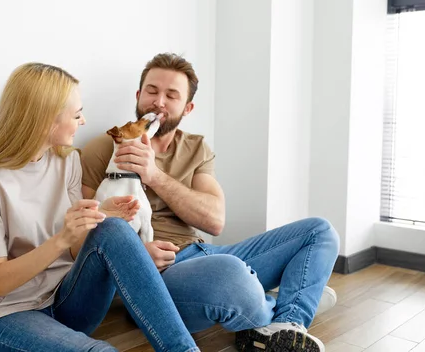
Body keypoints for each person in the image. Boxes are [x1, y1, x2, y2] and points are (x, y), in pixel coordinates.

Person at [81, 53, 340, 352]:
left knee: (320, 232)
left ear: (187, 108)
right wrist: (135, 256)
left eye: (172, 95)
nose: (159, 102)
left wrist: (154, 175)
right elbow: (85, 236)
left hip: (207, 252)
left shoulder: (196, 147)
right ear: (139, 96)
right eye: (152, 91)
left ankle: (284, 322)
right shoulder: (106, 147)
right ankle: (292, 299)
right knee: (231, 275)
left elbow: (214, 220)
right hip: (156, 276)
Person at [0, 63, 200, 352]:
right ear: (46, 120)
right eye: (77, 114)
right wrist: (63, 238)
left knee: (113, 228)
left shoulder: (67, 162)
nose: (83, 121)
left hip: (66, 300)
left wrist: (97, 218)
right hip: (6, 315)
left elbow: (72, 251)